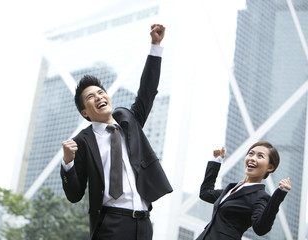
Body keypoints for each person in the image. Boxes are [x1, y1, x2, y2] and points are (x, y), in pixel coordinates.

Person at [60, 24, 172, 240]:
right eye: (91, 97)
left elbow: (147, 91)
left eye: (101, 92)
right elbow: (74, 195)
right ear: (85, 112)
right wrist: (68, 163)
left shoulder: (129, 120)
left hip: (144, 222)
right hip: (112, 223)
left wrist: (155, 46)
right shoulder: (82, 142)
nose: (99, 97)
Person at [197, 141, 291, 240]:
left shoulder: (260, 197)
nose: (252, 158)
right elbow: (205, 193)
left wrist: (279, 194)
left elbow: (261, 229)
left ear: (270, 167)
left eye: (260, 156)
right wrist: (216, 161)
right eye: (251, 153)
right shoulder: (232, 189)